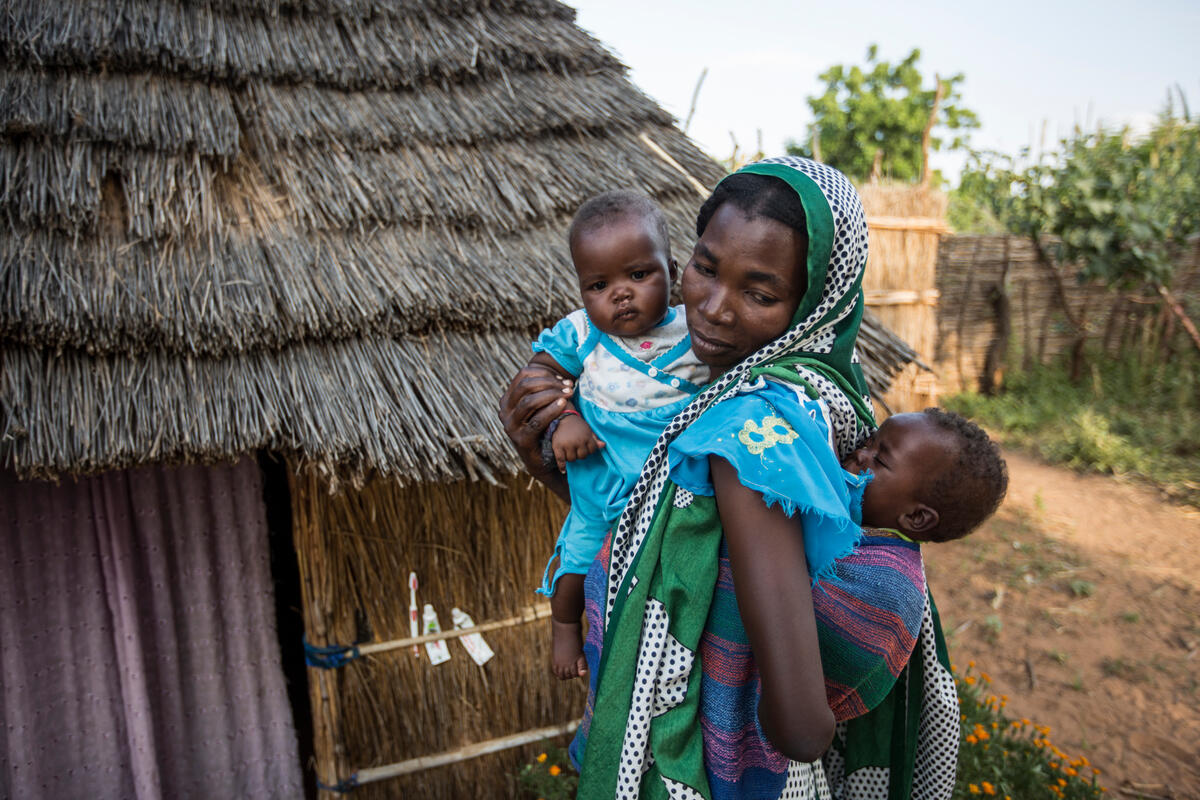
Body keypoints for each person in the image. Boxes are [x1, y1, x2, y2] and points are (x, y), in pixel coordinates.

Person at [526, 190, 709, 680]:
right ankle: (565, 624)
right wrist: (564, 418)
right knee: (576, 566)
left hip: (674, 488)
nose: (620, 293)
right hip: (602, 484)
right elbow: (537, 377)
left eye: (639, 274)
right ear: (583, 291)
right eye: (599, 284)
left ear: (672, 270)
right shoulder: (582, 333)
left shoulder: (695, 332)